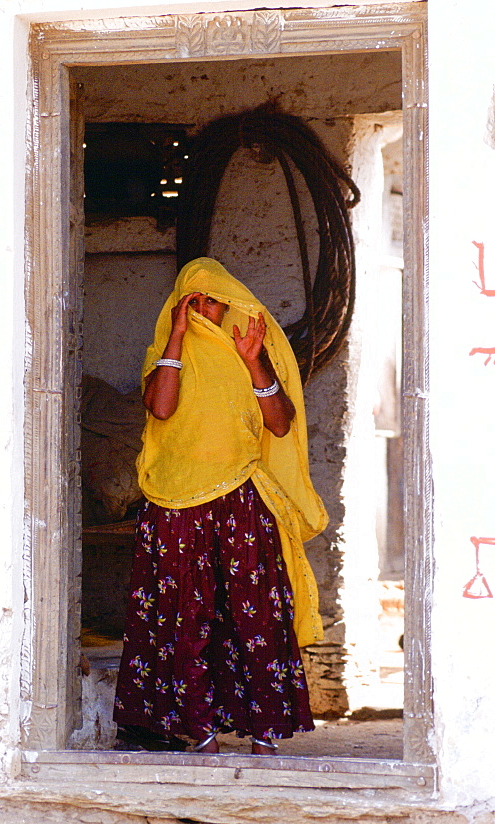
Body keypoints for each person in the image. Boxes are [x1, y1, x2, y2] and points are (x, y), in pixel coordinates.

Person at [113, 257, 328, 754]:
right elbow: (162, 407)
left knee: (253, 614)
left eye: (216, 300)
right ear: (180, 305)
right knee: (186, 615)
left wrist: (255, 362)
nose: (208, 309)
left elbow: (279, 424)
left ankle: (265, 732)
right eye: (196, 300)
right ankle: (201, 730)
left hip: (240, 503)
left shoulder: (246, 352)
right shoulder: (165, 352)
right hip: (176, 504)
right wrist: (175, 336)